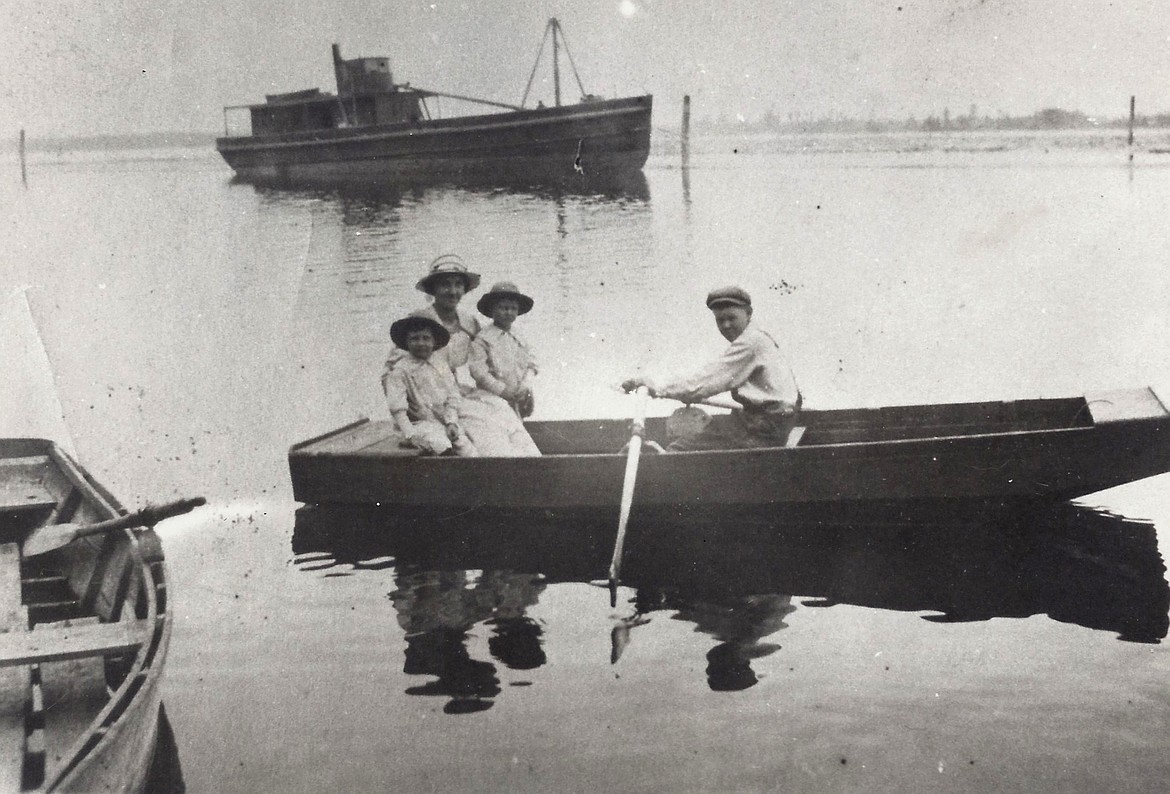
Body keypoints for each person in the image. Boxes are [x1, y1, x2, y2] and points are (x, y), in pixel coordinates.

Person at [383, 254, 540, 457]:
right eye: (445, 285)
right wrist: (410, 412)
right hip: (425, 401)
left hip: (453, 393)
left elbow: (489, 357)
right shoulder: (420, 322)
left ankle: (530, 460)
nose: (453, 291)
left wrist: (519, 388)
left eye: (458, 285)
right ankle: (500, 466)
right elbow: (390, 374)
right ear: (433, 289)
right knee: (483, 427)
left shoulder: (468, 323)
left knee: (499, 407)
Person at [621, 285, 801, 451]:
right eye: (720, 320)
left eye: (731, 318)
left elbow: (706, 382)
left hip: (764, 428)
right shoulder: (759, 337)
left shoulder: (751, 343)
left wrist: (658, 388)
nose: (726, 326)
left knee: (679, 449)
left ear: (748, 313)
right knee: (709, 432)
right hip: (773, 420)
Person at [383, 314, 477, 457]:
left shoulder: (441, 365)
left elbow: (452, 396)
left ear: (434, 342)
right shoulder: (400, 370)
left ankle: (474, 474)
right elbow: (398, 409)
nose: (421, 343)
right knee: (442, 446)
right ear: (406, 342)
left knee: (465, 446)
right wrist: (410, 434)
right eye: (415, 339)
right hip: (417, 424)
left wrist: (451, 422)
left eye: (426, 338)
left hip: (441, 419)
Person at [469, 281, 539, 418]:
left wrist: (525, 386)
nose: (508, 312)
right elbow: (478, 371)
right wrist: (502, 390)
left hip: (519, 394)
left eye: (513, 309)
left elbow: (532, 363)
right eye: (503, 308)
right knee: (497, 424)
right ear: (492, 310)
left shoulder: (520, 337)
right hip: (492, 395)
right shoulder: (483, 338)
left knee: (517, 424)